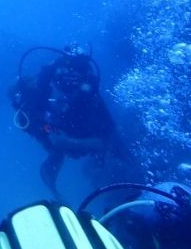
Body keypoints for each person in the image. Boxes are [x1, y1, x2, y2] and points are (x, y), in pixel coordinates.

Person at [8, 46, 120, 200]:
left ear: (84, 78)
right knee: (51, 145)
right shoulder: (39, 87)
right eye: (63, 76)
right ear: (55, 73)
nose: (68, 82)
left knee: (108, 147)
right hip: (51, 132)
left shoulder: (92, 102)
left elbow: (104, 142)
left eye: (75, 78)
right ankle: (55, 180)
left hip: (75, 136)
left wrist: (69, 142)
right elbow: (15, 91)